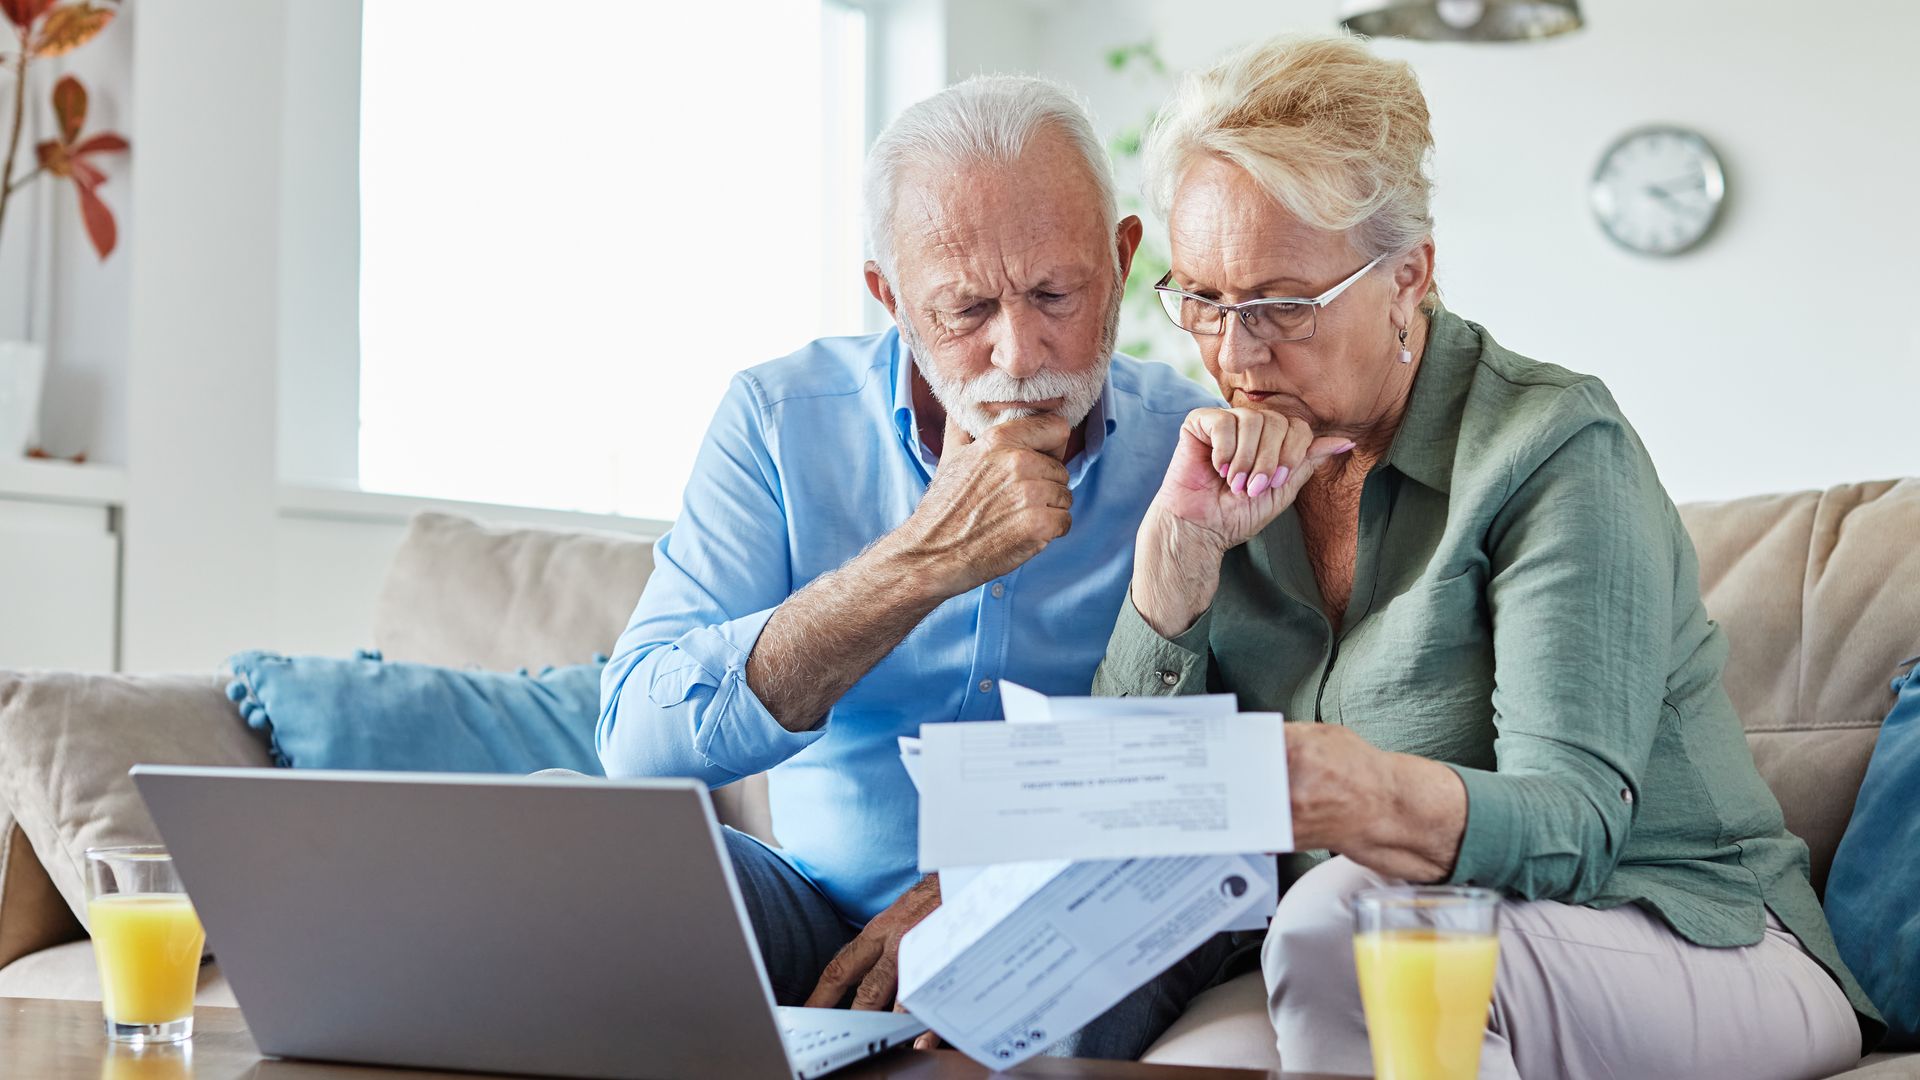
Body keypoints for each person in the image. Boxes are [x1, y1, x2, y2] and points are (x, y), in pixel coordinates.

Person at [1094, 32, 1884, 1079]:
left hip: (1691, 939)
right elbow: (1117, 823)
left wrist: (1363, 794)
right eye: (1200, 299)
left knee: (1351, 929)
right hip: (1345, 952)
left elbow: (1574, 825)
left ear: (1407, 275)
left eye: (1284, 306)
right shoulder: (1230, 468)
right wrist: (1175, 566)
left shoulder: (1553, 446)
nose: (1235, 355)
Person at [597, 75, 1227, 1058]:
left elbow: (1226, 771)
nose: (1020, 352)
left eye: (1057, 293)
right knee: (581, 867)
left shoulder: (1194, 458)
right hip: (816, 907)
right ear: (889, 297)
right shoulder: (776, 422)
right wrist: (919, 564)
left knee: (1041, 966)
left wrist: (984, 889)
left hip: (1066, 906)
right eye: (966, 308)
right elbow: (637, 744)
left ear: (1122, 259)